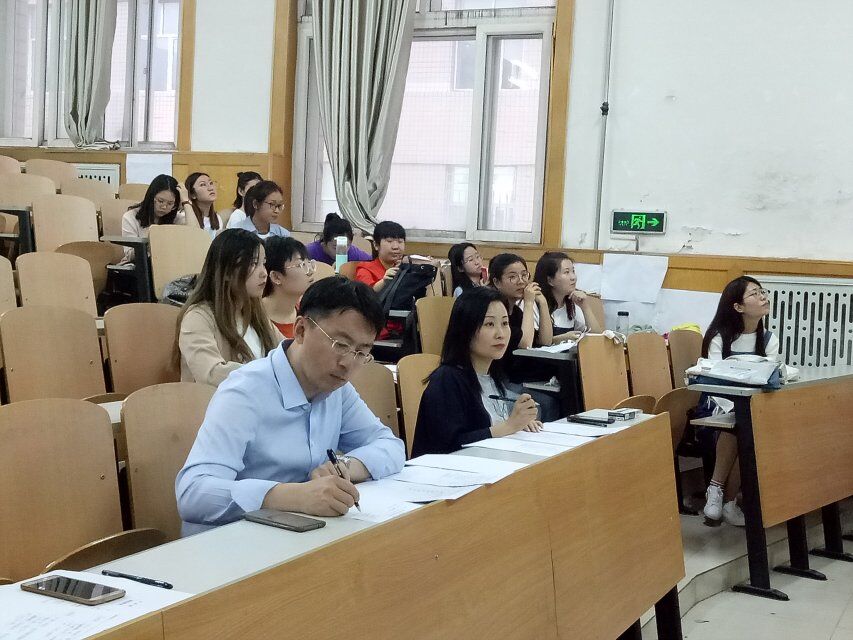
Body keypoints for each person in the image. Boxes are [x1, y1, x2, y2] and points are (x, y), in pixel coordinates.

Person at [176, 276, 406, 535]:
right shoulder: (245, 391)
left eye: (361, 352)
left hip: (300, 536)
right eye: (340, 345)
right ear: (301, 330)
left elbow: (390, 446)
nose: (348, 364)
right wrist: (294, 496)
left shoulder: (337, 390)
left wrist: (345, 466)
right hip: (231, 542)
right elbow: (193, 493)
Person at [412, 287, 542, 457]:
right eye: (489, 324)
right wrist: (508, 426)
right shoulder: (447, 379)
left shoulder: (492, 376)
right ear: (465, 330)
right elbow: (448, 446)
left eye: (505, 323)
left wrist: (520, 423)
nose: (501, 334)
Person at [699, 276, 779, 527]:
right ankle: (720, 493)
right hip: (717, 403)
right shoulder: (718, 337)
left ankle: (725, 498)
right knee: (739, 422)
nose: (763, 297)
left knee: (749, 423)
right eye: (754, 293)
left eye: (762, 291)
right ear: (738, 307)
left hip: (752, 405)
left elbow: (769, 377)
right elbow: (713, 380)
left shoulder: (768, 339)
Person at [177, 229, 281, 387]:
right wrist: (267, 375)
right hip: (214, 401)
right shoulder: (197, 317)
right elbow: (211, 374)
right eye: (253, 264)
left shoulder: (254, 311)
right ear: (226, 272)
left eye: (263, 263)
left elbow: (285, 351)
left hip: (257, 398)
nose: (264, 273)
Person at [489, 253, 560, 421]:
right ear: (496, 282)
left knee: (556, 399)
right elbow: (525, 343)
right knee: (544, 404)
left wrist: (542, 303)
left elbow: (544, 341)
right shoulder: (493, 310)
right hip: (497, 379)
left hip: (516, 376)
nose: (521, 281)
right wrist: (528, 302)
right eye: (512, 277)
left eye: (524, 275)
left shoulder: (516, 312)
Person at [534, 251, 604, 343]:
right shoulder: (534, 304)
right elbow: (533, 343)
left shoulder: (572, 304)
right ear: (550, 280)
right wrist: (562, 338)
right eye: (566, 272)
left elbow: (597, 337)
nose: (573, 277)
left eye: (573, 271)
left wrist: (585, 307)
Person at [120, 174, 187, 263]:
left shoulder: (177, 218)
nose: (164, 207)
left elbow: (195, 234)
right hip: (141, 265)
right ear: (151, 197)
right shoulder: (131, 217)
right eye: (160, 201)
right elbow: (129, 255)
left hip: (169, 265)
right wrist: (151, 241)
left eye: (170, 203)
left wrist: (186, 201)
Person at [263, 236, 315, 338]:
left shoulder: (308, 313)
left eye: (308, 263)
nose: (310, 271)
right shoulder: (254, 320)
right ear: (276, 277)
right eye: (300, 265)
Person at [305, 213, 372, 266]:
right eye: (335, 247)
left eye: (346, 246)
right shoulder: (309, 252)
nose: (341, 251)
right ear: (325, 242)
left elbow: (371, 262)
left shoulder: (352, 253)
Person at [185, 172, 223, 238]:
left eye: (211, 183)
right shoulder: (185, 217)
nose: (210, 188)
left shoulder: (217, 218)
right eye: (203, 185)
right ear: (192, 194)